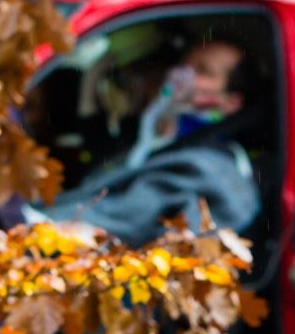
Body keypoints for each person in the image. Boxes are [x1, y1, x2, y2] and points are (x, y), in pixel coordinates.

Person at [39, 37, 262, 246]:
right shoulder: (152, 138)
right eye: (185, 63)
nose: (184, 74)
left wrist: (36, 223)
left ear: (231, 103)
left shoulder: (214, 170)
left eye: (203, 70)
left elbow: (118, 219)